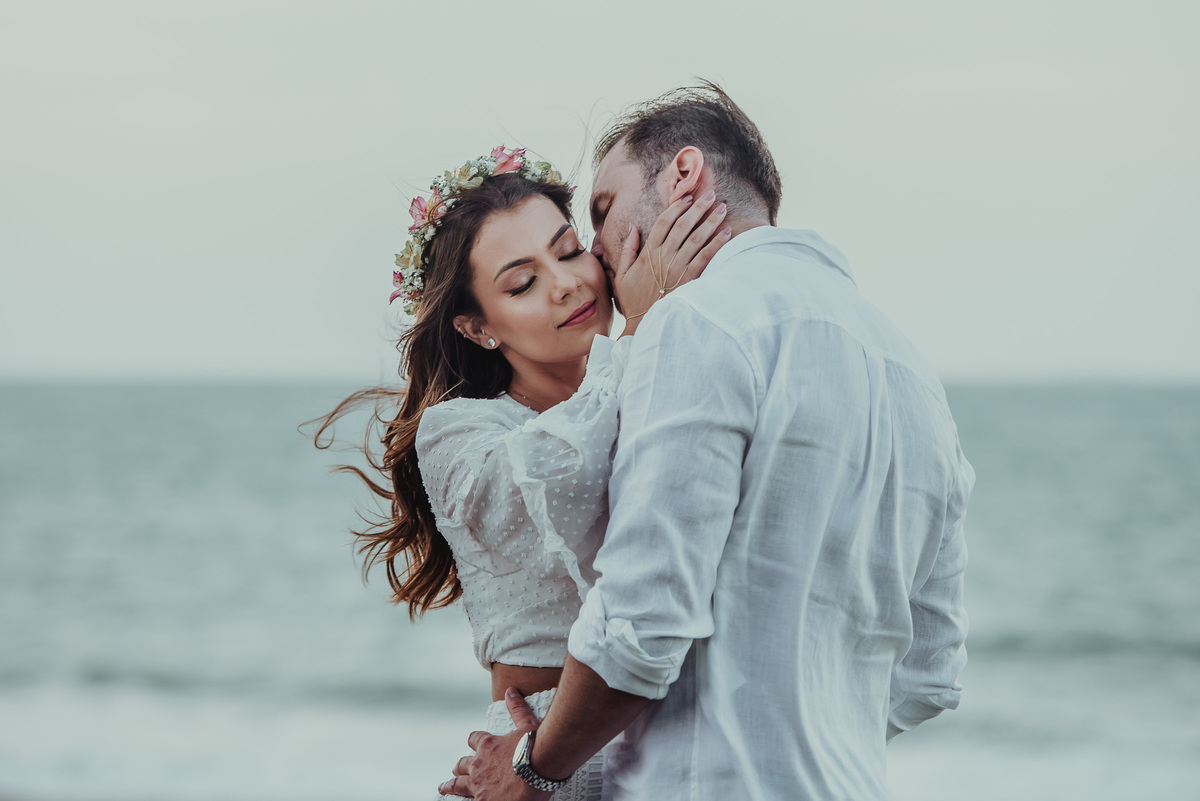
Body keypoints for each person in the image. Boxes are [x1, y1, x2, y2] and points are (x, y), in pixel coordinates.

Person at [440, 83, 973, 800]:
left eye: (602, 213)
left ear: (684, 175)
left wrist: (535, 765)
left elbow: (641, 622)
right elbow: (930, 672)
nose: (596, 254)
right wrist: (801, 733)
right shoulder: (912, 370)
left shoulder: (693, 321)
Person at [314, 146, 729, 801]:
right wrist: (646, 325)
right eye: (522, 283)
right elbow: (564, 480)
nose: (564, 284)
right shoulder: (458, 433)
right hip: (533, 759)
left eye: (568, 251)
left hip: (679, 745)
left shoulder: (658, 386)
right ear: (478, 327)